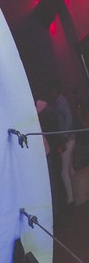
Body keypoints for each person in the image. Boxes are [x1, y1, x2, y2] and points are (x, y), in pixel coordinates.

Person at [47, 80, 76, 209]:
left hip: (67, 139)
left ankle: (71, 199)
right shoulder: (59, 102)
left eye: (52, 91)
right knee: (70, 169)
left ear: (56, 90)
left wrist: (64, 137)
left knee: (64, 173)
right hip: (70, 138)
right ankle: (77, 194)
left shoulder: (61, 102)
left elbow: (69, 118)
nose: (51, 93)